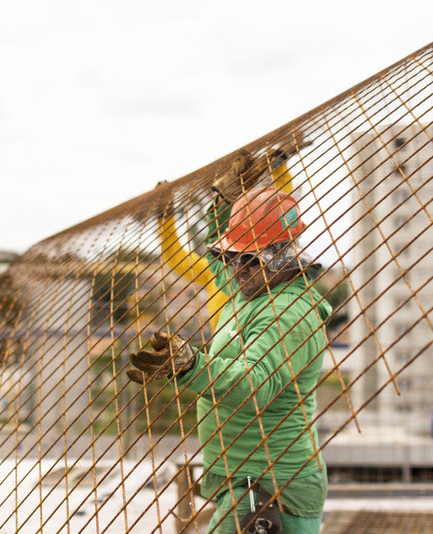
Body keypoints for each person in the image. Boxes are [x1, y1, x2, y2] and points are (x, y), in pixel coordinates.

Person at [127, 149, 331, 534]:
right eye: (229, 256)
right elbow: (236, 244)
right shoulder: (249, 289)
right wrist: (224, 205)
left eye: (248, 259)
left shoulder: (289, 313)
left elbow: (254, 385)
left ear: (281, 257)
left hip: (272, 487)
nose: (235, 268)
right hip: (246, 477)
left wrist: (191, 366)